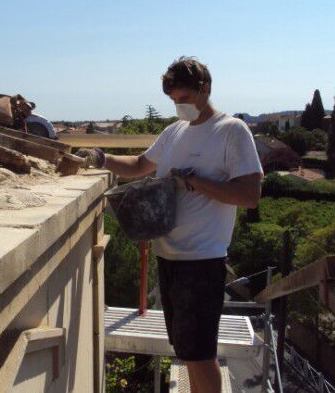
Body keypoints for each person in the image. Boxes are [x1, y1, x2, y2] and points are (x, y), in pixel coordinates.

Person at [78, 57, 263, 393]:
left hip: (202, 261)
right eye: (174, 100)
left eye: (184, 98)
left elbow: (250, 195)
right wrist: (101, 158)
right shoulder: (174, 131)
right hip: (169, 257)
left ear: (205, 89)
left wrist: (196, 182)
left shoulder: (231, 130)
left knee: (200, 355)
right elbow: (139, 164)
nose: (179, 105)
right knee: (186, 350)